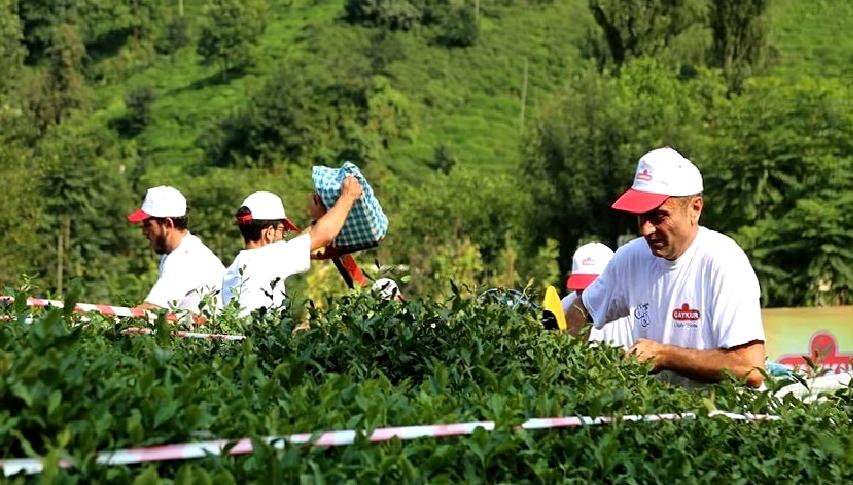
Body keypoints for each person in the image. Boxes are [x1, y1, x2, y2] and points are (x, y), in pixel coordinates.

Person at [566, 147, 766, 388]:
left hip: (722, 420)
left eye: (659, 216)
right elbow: (583, 307)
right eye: (641, 216)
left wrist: (666, 356)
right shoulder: (631, 257)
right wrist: (559, 359)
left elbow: (751, 369)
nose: (646, 230)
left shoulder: (724, 262)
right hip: (661, 416)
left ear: (695, 209)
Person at [221, 175, 364, 316]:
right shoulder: (269, 259)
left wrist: (318, 221)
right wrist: (348, 196)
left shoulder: (235, 268)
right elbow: (323, 235)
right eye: (283, 230)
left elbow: (300, 241)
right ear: (269, 232)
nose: (284, 237)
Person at [128, 186, 225, 312]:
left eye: (148, 225)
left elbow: (152, 310)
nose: (144, 232)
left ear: (168, 224)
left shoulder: (185, 258)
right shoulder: (181, 251)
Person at [560, 242, 633, 348]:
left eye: (595, 287)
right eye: (582, 288)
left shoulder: (631, 308)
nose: (587, 294)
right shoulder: (565, 305)